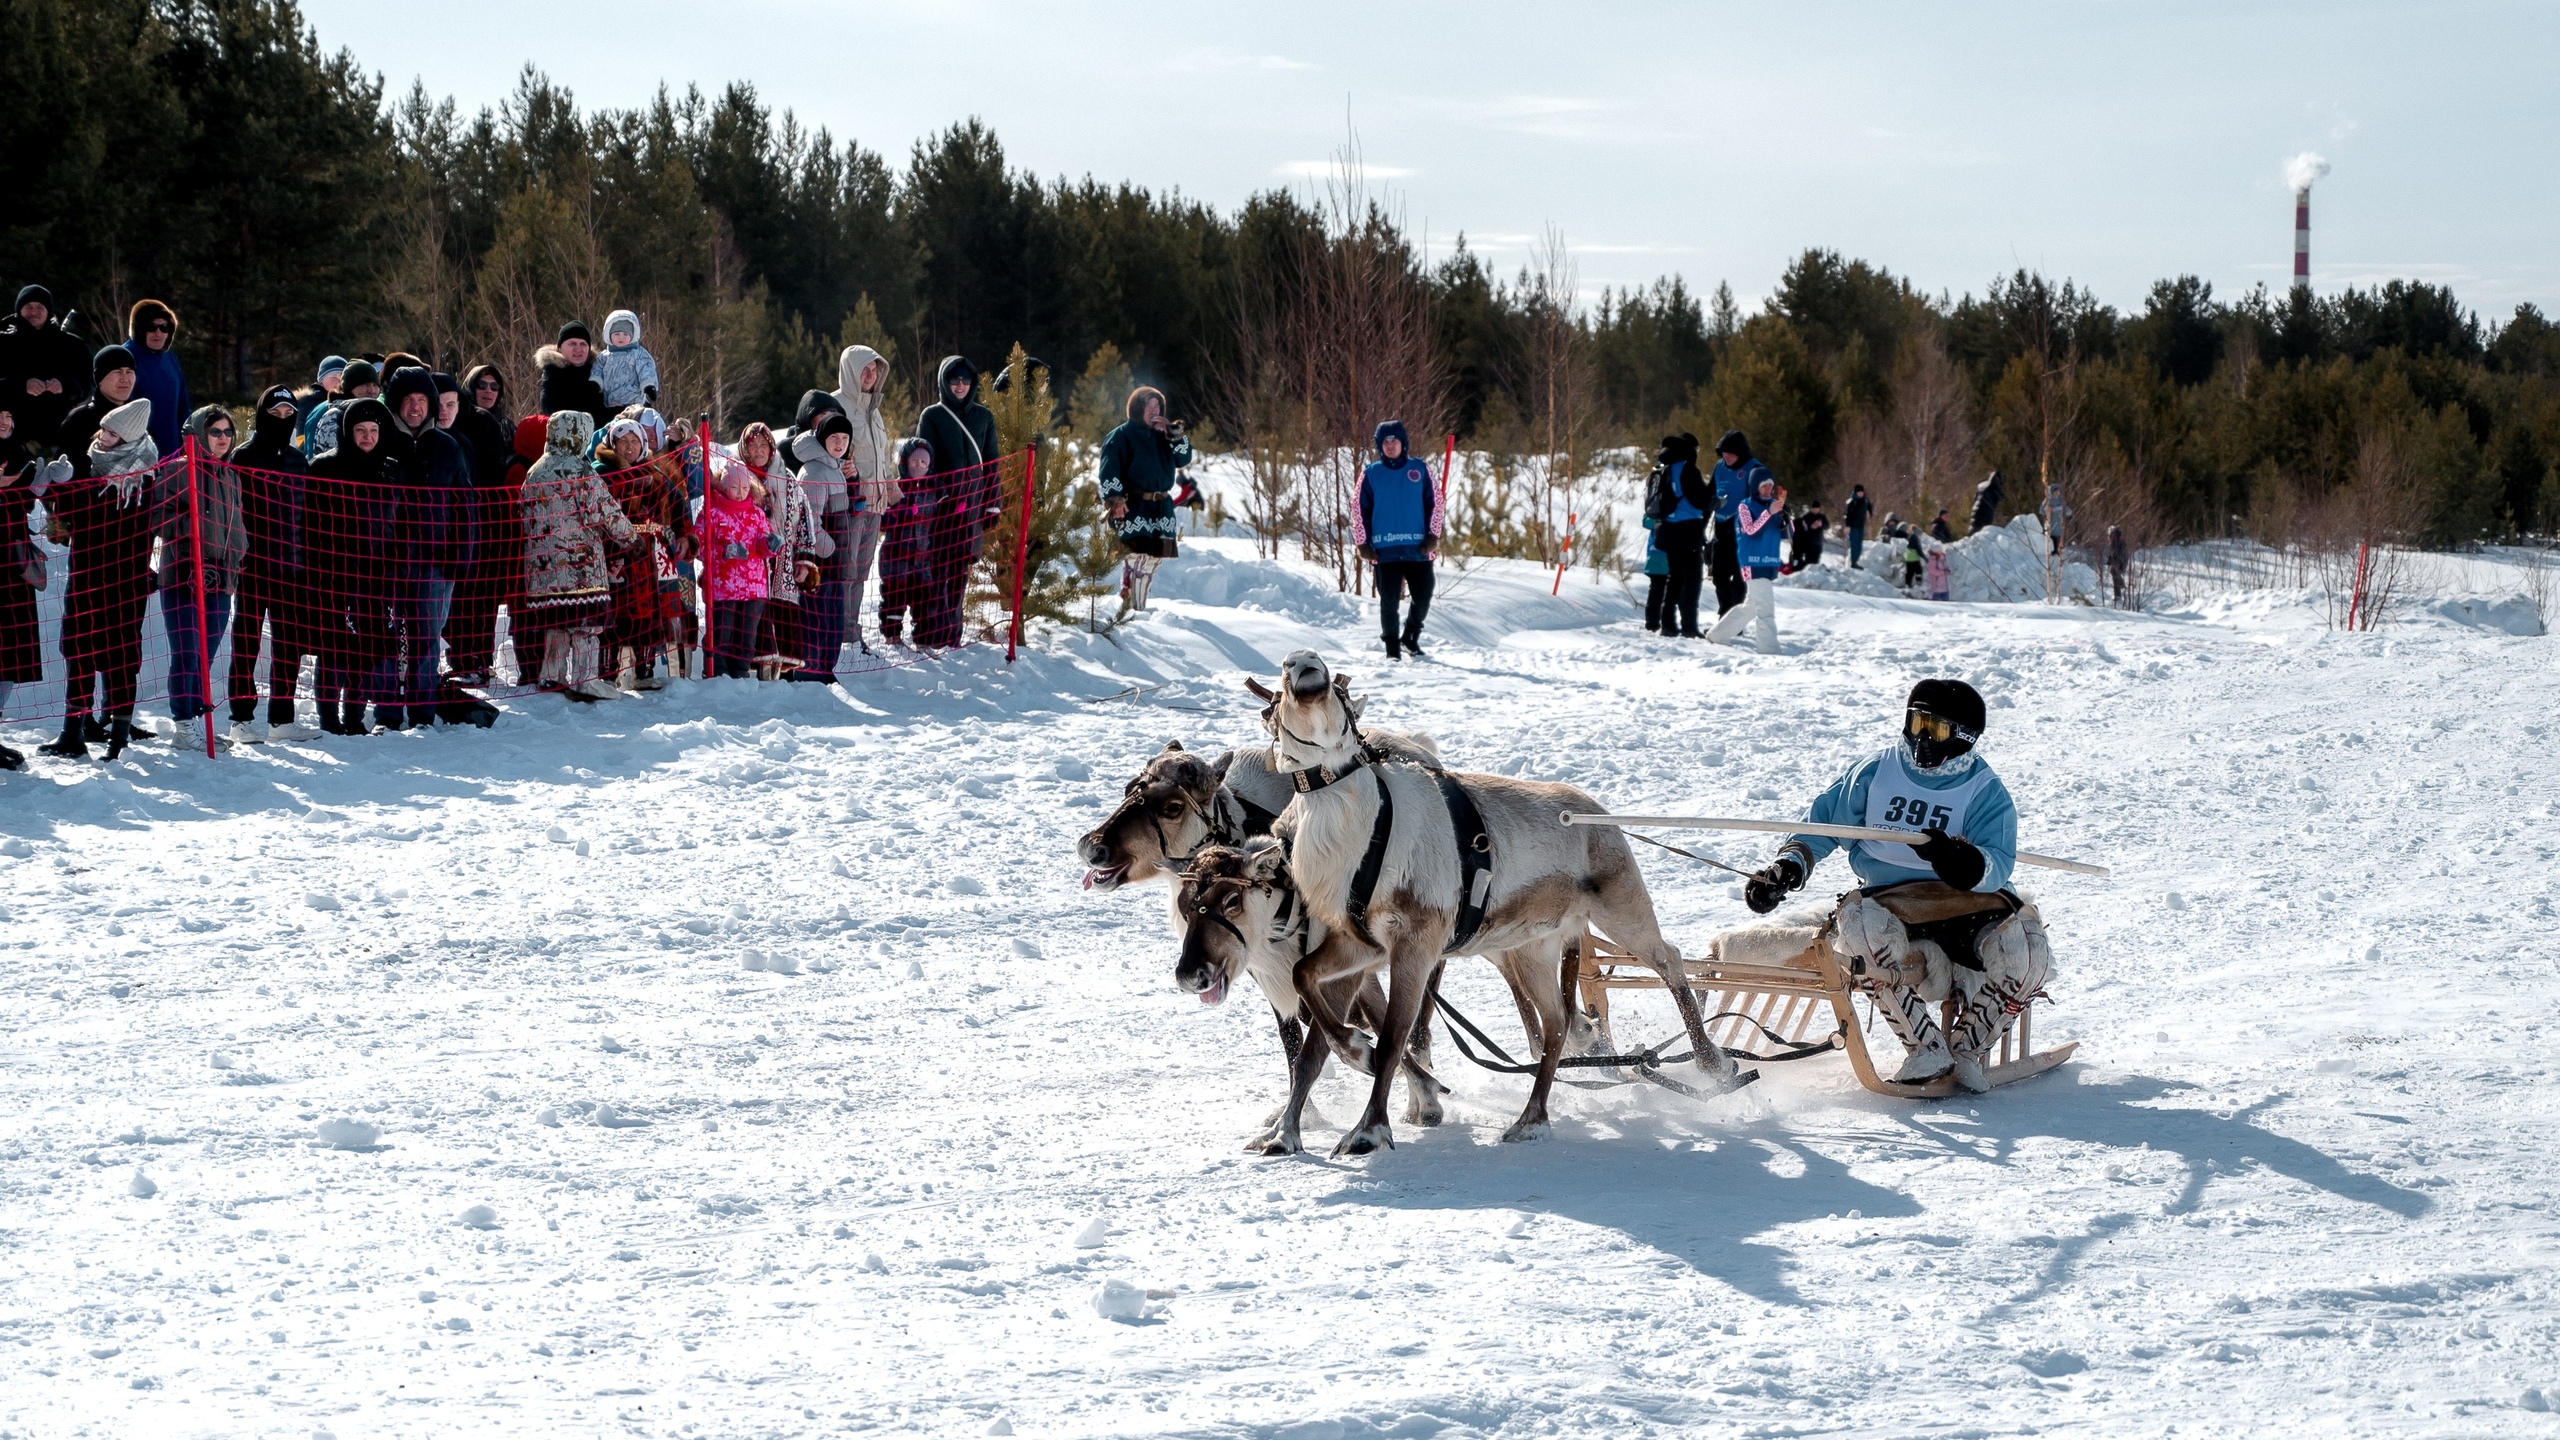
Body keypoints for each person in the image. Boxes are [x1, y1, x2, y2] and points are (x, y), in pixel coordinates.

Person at [1741, 679, 2048, 1093]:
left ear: (1963, 737)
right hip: (1893, 903)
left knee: (2029, 953)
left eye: (1936, 729)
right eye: (1917, 723)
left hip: (1968, 903)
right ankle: (1926, 1047)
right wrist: (1788, 867)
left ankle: (1966, 1049)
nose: (1922, 739)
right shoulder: (1876, 772)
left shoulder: (1983, 790)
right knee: (1857, 931)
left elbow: (1998, 861)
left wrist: (1959, 860)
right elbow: (1823, 825)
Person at [36, 396, 160, 760]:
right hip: (86, 576)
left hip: (124, 581)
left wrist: (65, 490)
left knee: (122, 655)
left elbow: (96, 518)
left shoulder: (139, 481)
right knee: (79, 650)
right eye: (104, 429)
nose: (102, 436)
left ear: (128, 439)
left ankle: (118, 736)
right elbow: (69, 523)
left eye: (111, 433)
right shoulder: (94, 469)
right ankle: (72, 731)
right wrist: (58, 488)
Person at [519, 410, 635, 702]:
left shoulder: (535, 471)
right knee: (586, 625)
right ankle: (586, 680)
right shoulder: (581, 471)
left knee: (557, 624)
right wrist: (631, 539)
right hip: (581, 568)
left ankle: (552, 675)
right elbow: (605, 510)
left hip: (543, 570)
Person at [305, 397, 405, 734]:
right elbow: (310, 524)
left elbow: (400, 523)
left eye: (373, 430)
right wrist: (316, 568)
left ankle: (355, 717)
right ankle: (329, 719)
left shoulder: (391, 470)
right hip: (333, 573)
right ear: (348, 432)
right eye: (360, 430)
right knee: (334, 648)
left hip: (377, 574)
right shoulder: (324, 467)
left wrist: (395, 567)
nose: (367, 437)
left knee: (368, 647)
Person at [228, 386, 319, 742]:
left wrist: (308, 560)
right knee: (246, 644)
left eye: (288, 415)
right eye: (274, 414)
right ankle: (241, 719)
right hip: (252, 567)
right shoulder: (243, 457)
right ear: (261, 415)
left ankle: (282, 720)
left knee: (289, 646)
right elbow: (232, 513)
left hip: (292, 568)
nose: (281, 420)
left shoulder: (298, 460)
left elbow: (308, 515)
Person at [383, 368, 472, 728]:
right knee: (386, 639)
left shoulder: (448, 447)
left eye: (421, 399)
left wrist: (461, 555)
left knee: (426, 639)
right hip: (387, 561)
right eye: (408, 400)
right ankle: (387, 713)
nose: (415, 407)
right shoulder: (382, 443)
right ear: (396, 404)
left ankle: (422, 713)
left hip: (435, 561)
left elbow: (465, 507)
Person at [157, 405, 248, 728]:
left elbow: (236, 527)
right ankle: (183, 723)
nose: (223, 438)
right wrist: (191, 528)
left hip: (221, 581)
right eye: (215, 432)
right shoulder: (178, 470)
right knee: (187, 654)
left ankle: (197, 721)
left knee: (206, 656)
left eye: (228, 431)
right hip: (182, 576)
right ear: (197, 435)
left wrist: (236, 558)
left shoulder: (231, 475)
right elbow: (158, 517)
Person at [912, 358, 1002, 649]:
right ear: (944, 382)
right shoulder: (932, 416)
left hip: (972, 510)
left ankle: (953, 636)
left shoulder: (984, 417)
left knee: (960, 574)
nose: (960, 385)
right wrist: (941, 496)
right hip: (941, 510)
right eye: (954, 380)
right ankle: (931, 635)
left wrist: (993, 503)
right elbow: (924, 462)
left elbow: (992, 463)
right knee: (936, 572)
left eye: (965, 380)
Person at [446, 365, 515, 684]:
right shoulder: (456, 423)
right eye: (482, 384)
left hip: (493, 518)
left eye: (494, 386)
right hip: (462, 518)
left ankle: (481, 659)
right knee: (461, 594)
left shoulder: (503, 425)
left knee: (485, 594)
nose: (488, 391)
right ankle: (462, 658)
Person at [1097, 386, 1195, 612]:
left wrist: (1172, 432)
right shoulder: (1121, 435)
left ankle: (1136, 609)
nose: (1154, 410)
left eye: (1157, 405)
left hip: (1161, 507)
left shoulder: (1165, 436)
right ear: (1137, 408)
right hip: (1134, 506)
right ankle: (1132, 611)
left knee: (1152, 561)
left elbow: (1184, 458)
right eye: (1148, 406)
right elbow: (1109, 470)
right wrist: (1114, 500)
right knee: (1136, 558)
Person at [830, 345, 900, 652]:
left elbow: (882, 456)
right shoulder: (836, 405)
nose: (870, 376)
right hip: (850, 503)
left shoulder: (874, 409)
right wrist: (842, 469)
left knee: (860, 570)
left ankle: (851, 630)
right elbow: (825, 450)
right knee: (845, 569)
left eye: (875, 370)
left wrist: (892, 492)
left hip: (875, 504)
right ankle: (840, 632)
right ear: (851, 371)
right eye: (865, 370)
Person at [1354, 420, 1441, 659]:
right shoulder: (1371, 473)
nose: (1390, 446)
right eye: (1386, 442)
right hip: (1385, 550)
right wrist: (1362, 543)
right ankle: (1392, 649)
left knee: (1423, 595)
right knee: (1389, 602)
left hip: (1418, 548)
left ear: (1403, 443)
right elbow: (1358, 509)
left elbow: (1436, 503)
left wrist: (1433, 535)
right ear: (1379, 446)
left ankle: (1410, 636)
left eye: (1394, 441)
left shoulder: (1420, 468)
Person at [787, 413, 858, 679]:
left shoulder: (835, 468)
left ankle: (826, 669)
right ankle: (810, 671)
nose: (839, 443)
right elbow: (809, 523)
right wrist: (831, 550)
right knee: (816, 619)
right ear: (822, 439)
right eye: (833, 438)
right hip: (818, 565)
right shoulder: (814, 472)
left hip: (835, 565)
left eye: (844, 438)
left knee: (833, 620)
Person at [697, 450, 777, 680]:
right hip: (723, 587)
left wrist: (770, 545)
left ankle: (741, 674)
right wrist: (724, 552)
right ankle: (717, 673)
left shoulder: (757, 514)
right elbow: (699, 545)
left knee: (746, 637)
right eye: (734, 487)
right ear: (723, 486)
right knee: (721, 634)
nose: (740, 492)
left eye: (744, 487)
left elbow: (763, 544)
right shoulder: (711, 513)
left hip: (754, 588)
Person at [0, 284, 94, 447]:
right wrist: (21, 387)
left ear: (48, 310)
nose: (34, 312)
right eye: (28, 307)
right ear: (18, 310)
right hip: (10, 438)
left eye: (39, 307)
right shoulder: (3, 344)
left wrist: (66, 386)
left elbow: (90, 384)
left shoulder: (72, 345)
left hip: (59, 437)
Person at [0, 405, 41, 768]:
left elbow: (29, 509)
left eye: (10, 416)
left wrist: (41, 485)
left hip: (13, 571)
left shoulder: (19, 457)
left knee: (11, 656)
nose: (5, 422)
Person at [1706, 474, 1786, 652]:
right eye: (1763, 485)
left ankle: (1718, 635)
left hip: (1769, 561)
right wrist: (1768, 513)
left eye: (1770, 485)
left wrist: (1784, 518)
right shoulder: (1745, 506)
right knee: (1766, 609)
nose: (1768, 489)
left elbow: (1784, 533)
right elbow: (1750, 531)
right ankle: (1768, 648)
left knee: (1751, 607)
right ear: (1754, 486)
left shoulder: (1773, 505)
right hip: (1753, 562)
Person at [1641, 432, 1710, 637]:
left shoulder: (1662, 468)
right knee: (1692, 580)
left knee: (1674, 579)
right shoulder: (1687, 468)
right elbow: (1700, 499)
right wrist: (1714, 501)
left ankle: (1667, 624)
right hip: (1687, 530)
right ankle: (1689, 626)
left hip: (1666, 531)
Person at [876, 438, 933, 645]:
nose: (918, 466)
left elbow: (939, 521)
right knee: (894, 597)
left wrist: (953, 511)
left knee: (923, 600)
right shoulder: (895, 488)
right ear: (905, 462)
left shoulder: (932, 493)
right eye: (914, 461)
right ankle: (892, 635)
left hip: (922, 558)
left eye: (923, 463)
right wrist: (891, 515)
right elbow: (881, 521)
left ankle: (923, 640)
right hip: (895, 557)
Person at [1709, 431, 1769, 616]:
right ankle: (1725, 615)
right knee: (1718, 576)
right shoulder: (1719, 467)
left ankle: (1733, 621)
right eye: (1723, 454)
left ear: (1740, 453)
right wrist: (1700, 525)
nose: (1726, 457)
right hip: (1721, 528)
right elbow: (1708, 496)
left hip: (1743, 531)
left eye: (1730, 454)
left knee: (1739, 578)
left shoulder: (1754, 469)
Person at [124, 300, 190, 460]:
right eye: (152, 327)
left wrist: (188, 445)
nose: (158, 333)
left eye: (164, 328)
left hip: (172, 454)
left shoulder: (170, 359)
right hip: (137, 455)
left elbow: (183, 408)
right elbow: (122, 410)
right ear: (139, 329)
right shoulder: (125, 357)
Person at [537, 323, 616, 432]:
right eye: (572, 344)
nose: (578, 348)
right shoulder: (553, 372)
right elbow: (551, 407)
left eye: (583, 344)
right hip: (567, 436)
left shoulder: (600, 372)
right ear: (560, 348)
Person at [302, 359, 379, 459]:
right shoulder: (335, 417)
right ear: (349, 387)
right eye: (364, 385)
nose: (372, 390)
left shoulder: (375, 414)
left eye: (375, 385)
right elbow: (334, 461)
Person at [592, 309, 661, 412]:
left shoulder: (637, 354)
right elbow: (597, 369)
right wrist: (595, 383)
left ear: (633, 335)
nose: (621, 337)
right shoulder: (604, 356)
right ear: (608, 335)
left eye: (625, 334)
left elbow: (646, 368)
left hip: (633, 400)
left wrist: (649, 385)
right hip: (610, 402)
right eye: (617, 334)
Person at [1789, 501, 1828, 573]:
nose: (1815, 510)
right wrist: (1811, 527)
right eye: (1814, 509)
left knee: (1816, 561)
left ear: (1819, 509)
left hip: (1818, 543)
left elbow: (1827, 526)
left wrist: (1821, 524)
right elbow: (1802, 528)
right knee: (1808, 562)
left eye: (1817, 509)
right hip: (1808, 543)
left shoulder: (1821, 517)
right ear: (1811, 509)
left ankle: (1815, 574)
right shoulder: (1807, 516)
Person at [1842, 484, 1873, 570]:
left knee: (1859, 545)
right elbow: (1847, 515)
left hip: (1861, 526)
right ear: (1856, 493)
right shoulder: (1852, 502)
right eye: (1859, 492)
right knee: (1854, 545)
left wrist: (1869, 512)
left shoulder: (1865, 500)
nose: (1861, 494)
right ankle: (1853, 562)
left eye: (1862, 492)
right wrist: (1847, 526)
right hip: (1853, 526)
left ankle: (1856, 561)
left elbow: (1870, 506)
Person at [2106, 524, 2130, 606]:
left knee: (2115, 573)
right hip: (2117, 561)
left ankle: (2118, 595)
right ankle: (2122, 586)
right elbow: (2111, 552)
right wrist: (2110, 560)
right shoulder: (2114, 541)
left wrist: (2116, 561)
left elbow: (2121, 554)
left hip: (2121, 561)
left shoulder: (2119, 541)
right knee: (2114, 573)